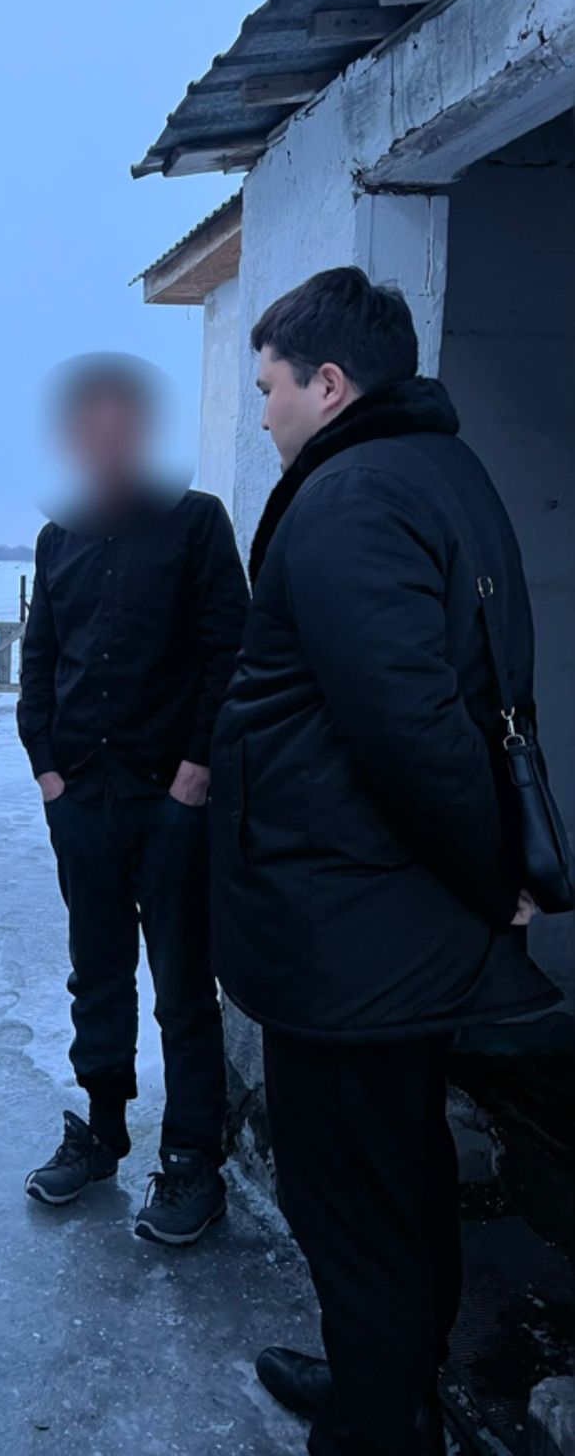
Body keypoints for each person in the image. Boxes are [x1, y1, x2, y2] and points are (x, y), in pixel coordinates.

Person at [209, 268, 560, 1456]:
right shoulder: (435, 467)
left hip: (350, 926)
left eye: (268, 387)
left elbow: (408, 724)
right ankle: (382, 1374)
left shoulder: (353, 492)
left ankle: (378, 1425)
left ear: (327, 382)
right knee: (396, 1170)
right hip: (383, 916)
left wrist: (489, 873)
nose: (261, 413)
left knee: (353, 1191)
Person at [17, 353, 250, 1245]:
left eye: (122, 425)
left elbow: (230, 651)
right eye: (91, 427)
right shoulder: (59, 536)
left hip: (171, 800)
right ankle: (102, 1130)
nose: (106, 441)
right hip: (82, 795)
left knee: (184, 985)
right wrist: (45, 763)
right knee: (98, 972)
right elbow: (42, 656)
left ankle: (193, 1160)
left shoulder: (196, 523)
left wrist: (197, 767)